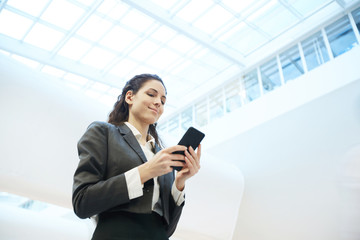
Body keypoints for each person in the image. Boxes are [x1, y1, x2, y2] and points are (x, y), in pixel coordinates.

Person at [72, 73, 201, 240]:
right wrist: (145, 171)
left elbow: (167, 229)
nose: (158, 103)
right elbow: (82, 202)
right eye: (151, 94)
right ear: (130, 97)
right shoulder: (103, 132)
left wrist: (179, 184)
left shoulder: (162, 156)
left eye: (162, 101)